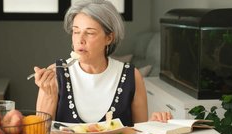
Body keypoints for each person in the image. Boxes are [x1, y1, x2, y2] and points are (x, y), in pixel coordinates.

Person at [34, 0, 171, 127]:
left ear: (109, 38)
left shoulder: (132, 76)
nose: (80, 40)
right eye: (76, 32)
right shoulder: (55, 74)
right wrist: (49, 96)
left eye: (90, 33)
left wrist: (154, 125)